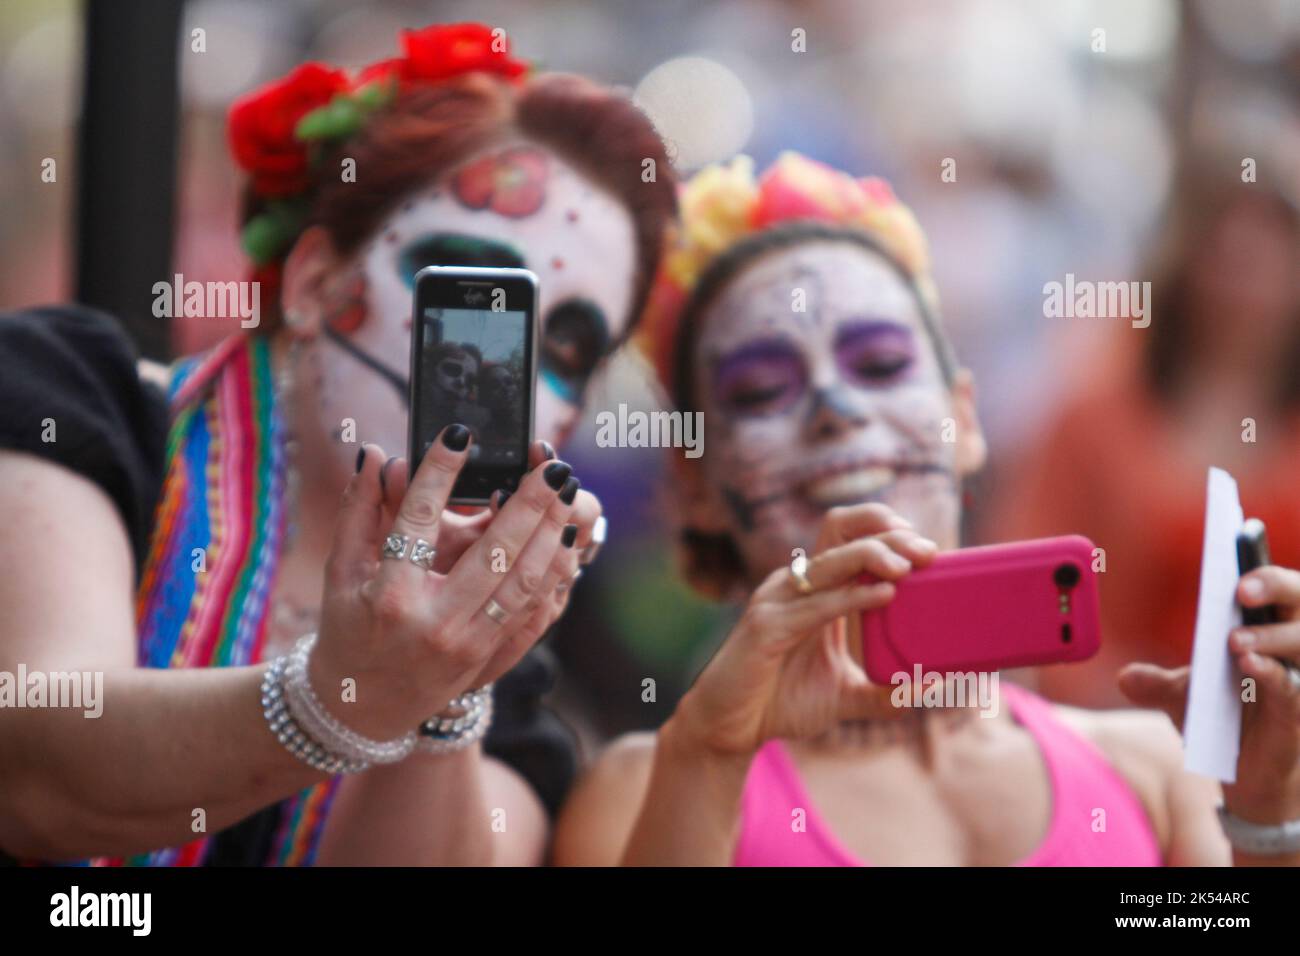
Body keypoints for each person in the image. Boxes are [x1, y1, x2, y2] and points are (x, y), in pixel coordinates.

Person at [0, 22, 674, 866]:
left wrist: (442, 699)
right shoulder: (78, 405)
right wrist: (336, 704)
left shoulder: (508, 666)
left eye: (566, 347)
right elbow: (37, 773)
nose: (506, 375)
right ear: (317, 281)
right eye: (465, 296)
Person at [554, 153, 1300, 866]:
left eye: (879, 365)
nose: (834, 407)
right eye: (757, 391)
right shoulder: (648, 787)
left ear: (964, 420)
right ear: (694, 485)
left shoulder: (1153, 771)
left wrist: (1269, 809)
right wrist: (710, 756)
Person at [986, 159, 1300, 707]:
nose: (1249, 285)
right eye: (1228, 257)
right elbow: (1018, 597)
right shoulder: (1093, 420)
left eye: (1273, 258)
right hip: (1117, 738)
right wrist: (1144, 708)